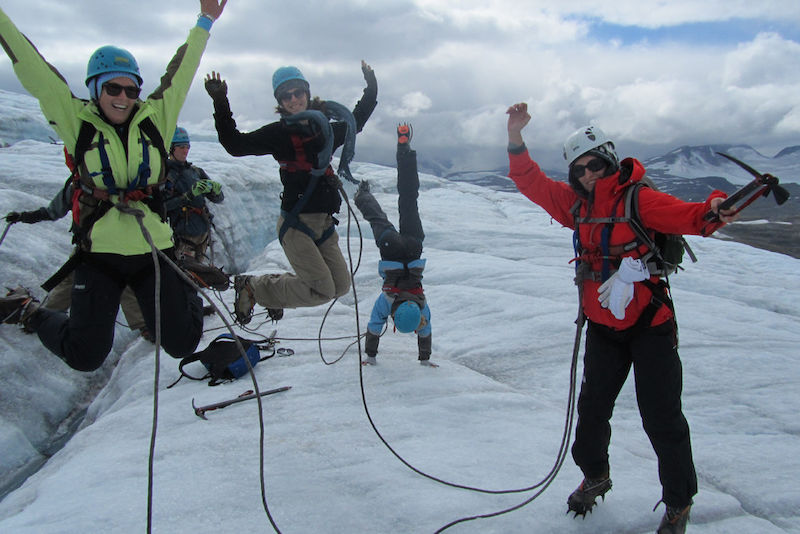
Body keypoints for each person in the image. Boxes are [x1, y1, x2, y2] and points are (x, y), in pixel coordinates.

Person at [505, 103, 739, 534]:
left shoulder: (638, 199)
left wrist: (714, 209)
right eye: (579, 170)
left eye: (594, 164)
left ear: (609, 159)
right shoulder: (577, 207)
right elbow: (531, 182)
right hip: (603, 328)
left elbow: (687, 215)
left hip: (651, 325)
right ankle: (595, 475)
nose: (588, 175)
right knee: (592, 411)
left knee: (662, 417)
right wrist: (515, 137)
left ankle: (678, 503)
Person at [0, 1, 227, 372]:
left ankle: (185, 277)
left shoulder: (157, 119)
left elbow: (182, 71)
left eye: (131, 89)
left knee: (182, 342)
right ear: (95, 88)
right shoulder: (76, 121)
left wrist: (205, 21)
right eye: (113, 88)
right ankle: (30, 311)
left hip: (153, 252)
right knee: (85, 355)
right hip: (100, 255)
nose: (123, 97)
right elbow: (31, 66)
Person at [205, 60, 377, 324]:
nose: (294, 99)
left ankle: (272, 291)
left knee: (341, 286)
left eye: (298, 92)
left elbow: (357, 121)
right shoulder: (279, 134)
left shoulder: (325, 131)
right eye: (286, 95)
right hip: (297, 226)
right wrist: (220, 101)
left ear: (307, 93)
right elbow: (235, 144)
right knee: (323, 290)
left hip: (323, 224)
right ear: (280, 101)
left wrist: (371, 86)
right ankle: (253, 288)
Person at [5, 181, 151, 341]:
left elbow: (52, 212)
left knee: (71, 280)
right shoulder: (120, 186)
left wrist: (24, 217)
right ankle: (145, 327)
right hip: (114, 248)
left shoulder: (78, 188)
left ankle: (45, 317)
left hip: (87, 248)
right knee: (121, 281)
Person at [354, 124, 433, 366]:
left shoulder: (421, 306)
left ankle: (404, 150)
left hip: (414, 246)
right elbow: (374, 325)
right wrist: (370, 357)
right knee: (377, 219)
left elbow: (425, 331)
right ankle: (362, 195)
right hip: (392, 251)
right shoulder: (388, 301)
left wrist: (425, 358)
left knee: (409, 199)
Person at [163, 126, 224, 263]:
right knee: (185, 271)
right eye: (181, 147)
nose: (185, 151)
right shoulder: (167, 175)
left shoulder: (196, 172)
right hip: (182, 236)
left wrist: (216, 192)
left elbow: (219, 199)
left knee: (196, 271)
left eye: (187, 147)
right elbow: (162, 206)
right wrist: (187, 197)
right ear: (171, 148)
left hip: (202, 234)